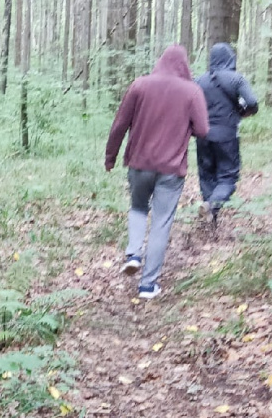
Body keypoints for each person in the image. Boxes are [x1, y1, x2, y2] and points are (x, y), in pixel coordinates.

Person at [105, 45, 209, 299]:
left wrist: (110, 156)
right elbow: (204, 130)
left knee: (138, 207)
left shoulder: (139, 85)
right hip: (171, 169)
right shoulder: (192, 91)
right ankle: (148, 285)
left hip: (139, 164)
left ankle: (133, 254)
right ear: (184, 65)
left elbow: (119, 124)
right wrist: (184, 128)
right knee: (161, 223)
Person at [195, 42, 259, 223]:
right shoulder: (236, 79)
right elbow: (252, 103)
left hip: (203, 136)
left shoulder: (199, 81)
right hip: (226, 136)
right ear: (230, 58)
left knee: (207, 175)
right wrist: (241, 112)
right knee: (228, 177)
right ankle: (212, 205)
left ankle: (209, 217)